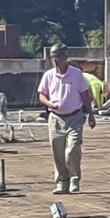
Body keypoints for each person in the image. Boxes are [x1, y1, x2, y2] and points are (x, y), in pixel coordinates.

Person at [37, 47, 93, 194]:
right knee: (58, 151)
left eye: (58, 57)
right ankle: (62, 181)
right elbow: (42, 95)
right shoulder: (49, 75)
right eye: (52, 57)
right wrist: (50, 104)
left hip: (74, 116)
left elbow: (85, 94)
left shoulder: (76, 74)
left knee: (72, 149)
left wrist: (91, 115)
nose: (55, 60)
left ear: (65, 57)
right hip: (56, 118)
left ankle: (74, 179)